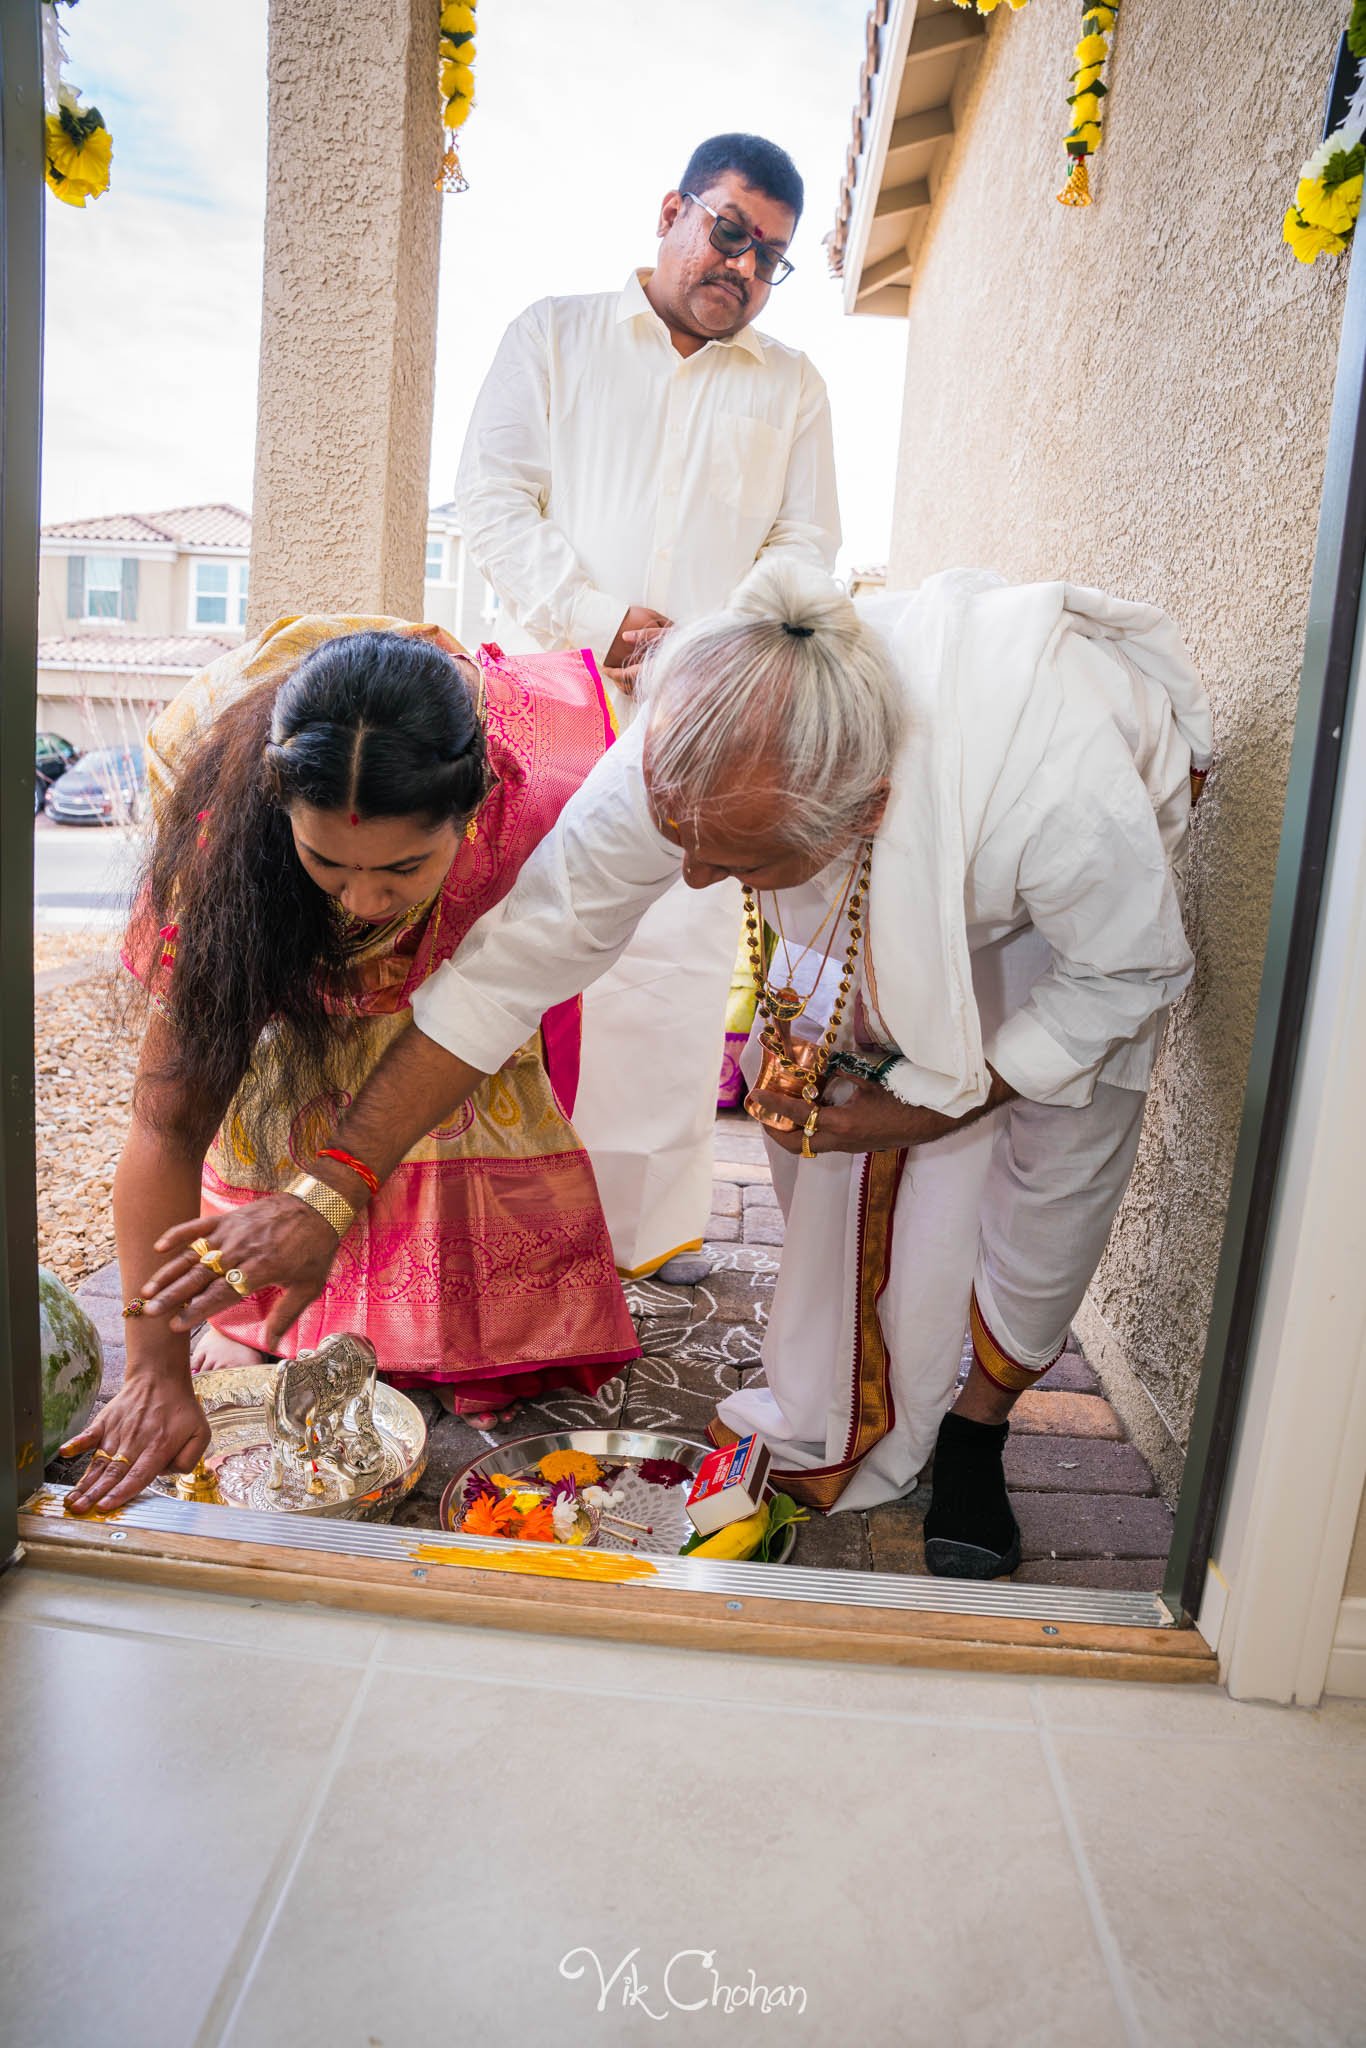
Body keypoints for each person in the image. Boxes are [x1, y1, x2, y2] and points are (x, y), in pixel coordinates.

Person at [104, 561, 1211, 1583]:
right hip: (871, 861)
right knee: (826, 1146)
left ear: (859, 817)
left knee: (1055, 1167)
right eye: (678, 836)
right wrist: (333, 1184)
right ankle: (840, 1396)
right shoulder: (687, 747)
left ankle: (977, 1425)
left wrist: (927, 1105)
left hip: (1077, 925)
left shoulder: (1059, 801)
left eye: (730, 864)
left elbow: (1127, 975)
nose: (686, 874)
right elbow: (504, 976)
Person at [61, 615, 638, 1509]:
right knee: (276, 1077)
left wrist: (334, 1188)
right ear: (281, 813)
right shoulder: (229, 844)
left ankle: (448, 1328)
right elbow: (165, 1125)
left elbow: (478, 1018)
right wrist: (153, 1370)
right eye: (328, 863)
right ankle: (254, 1320)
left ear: (471, 809)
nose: (365, 901)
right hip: (258, 882)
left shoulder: (537, 815)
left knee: (446, 1083)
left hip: (473, 933)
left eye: (402, 869)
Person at [451, 130, 840, 1282]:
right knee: (522, 952)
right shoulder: (555, 334)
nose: (743, 267)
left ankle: (639, 1230)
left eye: (770, 256)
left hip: (701, 721)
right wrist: (603, 619)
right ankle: (507, 1225)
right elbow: (492, 498)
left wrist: (717, 656)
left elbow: (807, 546)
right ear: (672, 209)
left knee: (668, 968)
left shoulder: (793, 387)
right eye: (728, 231)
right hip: (549, 701)